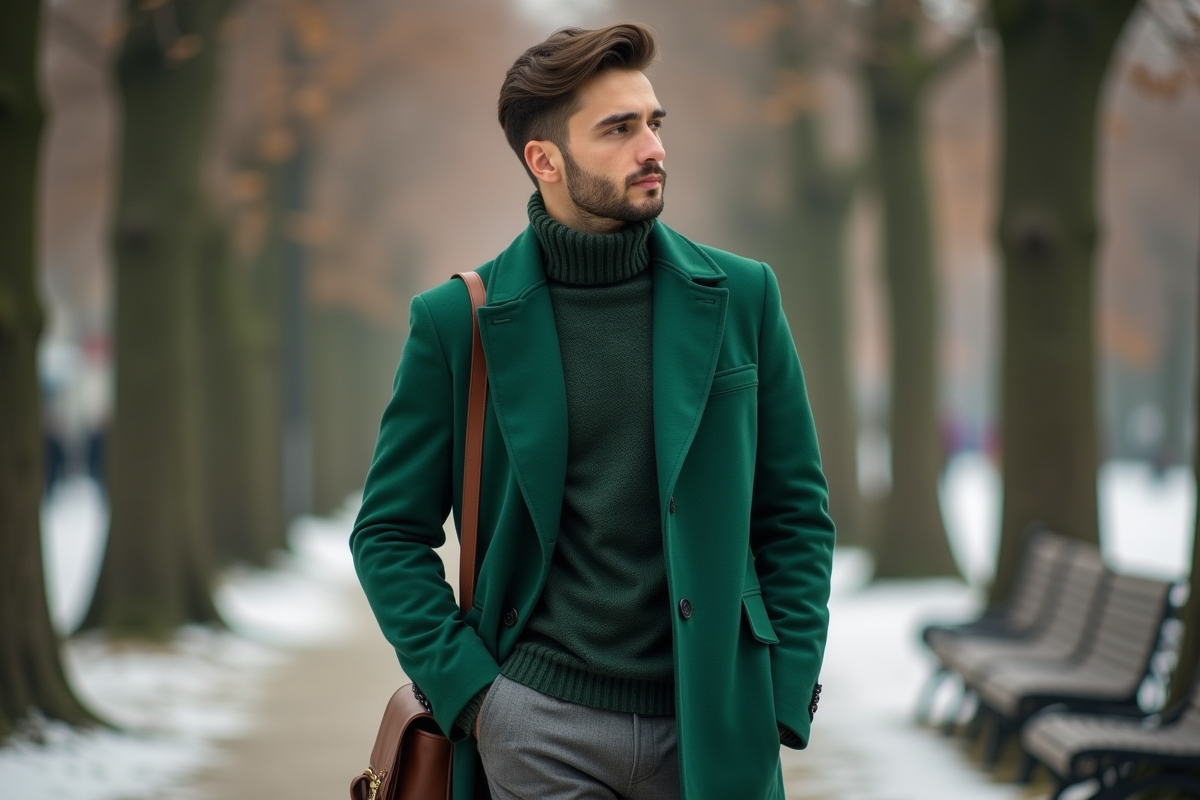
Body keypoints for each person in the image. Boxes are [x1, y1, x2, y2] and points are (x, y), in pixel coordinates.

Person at [351, 22, 835, 800]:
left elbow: (795, 515)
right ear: (544, 160)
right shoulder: (456, 321)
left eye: (654, 122)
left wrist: (778, 693)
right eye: (619, 129)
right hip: (538, 728)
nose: (653, 147)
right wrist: (476, 695)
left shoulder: (744, 298)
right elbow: (387, 532)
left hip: (711, 723)